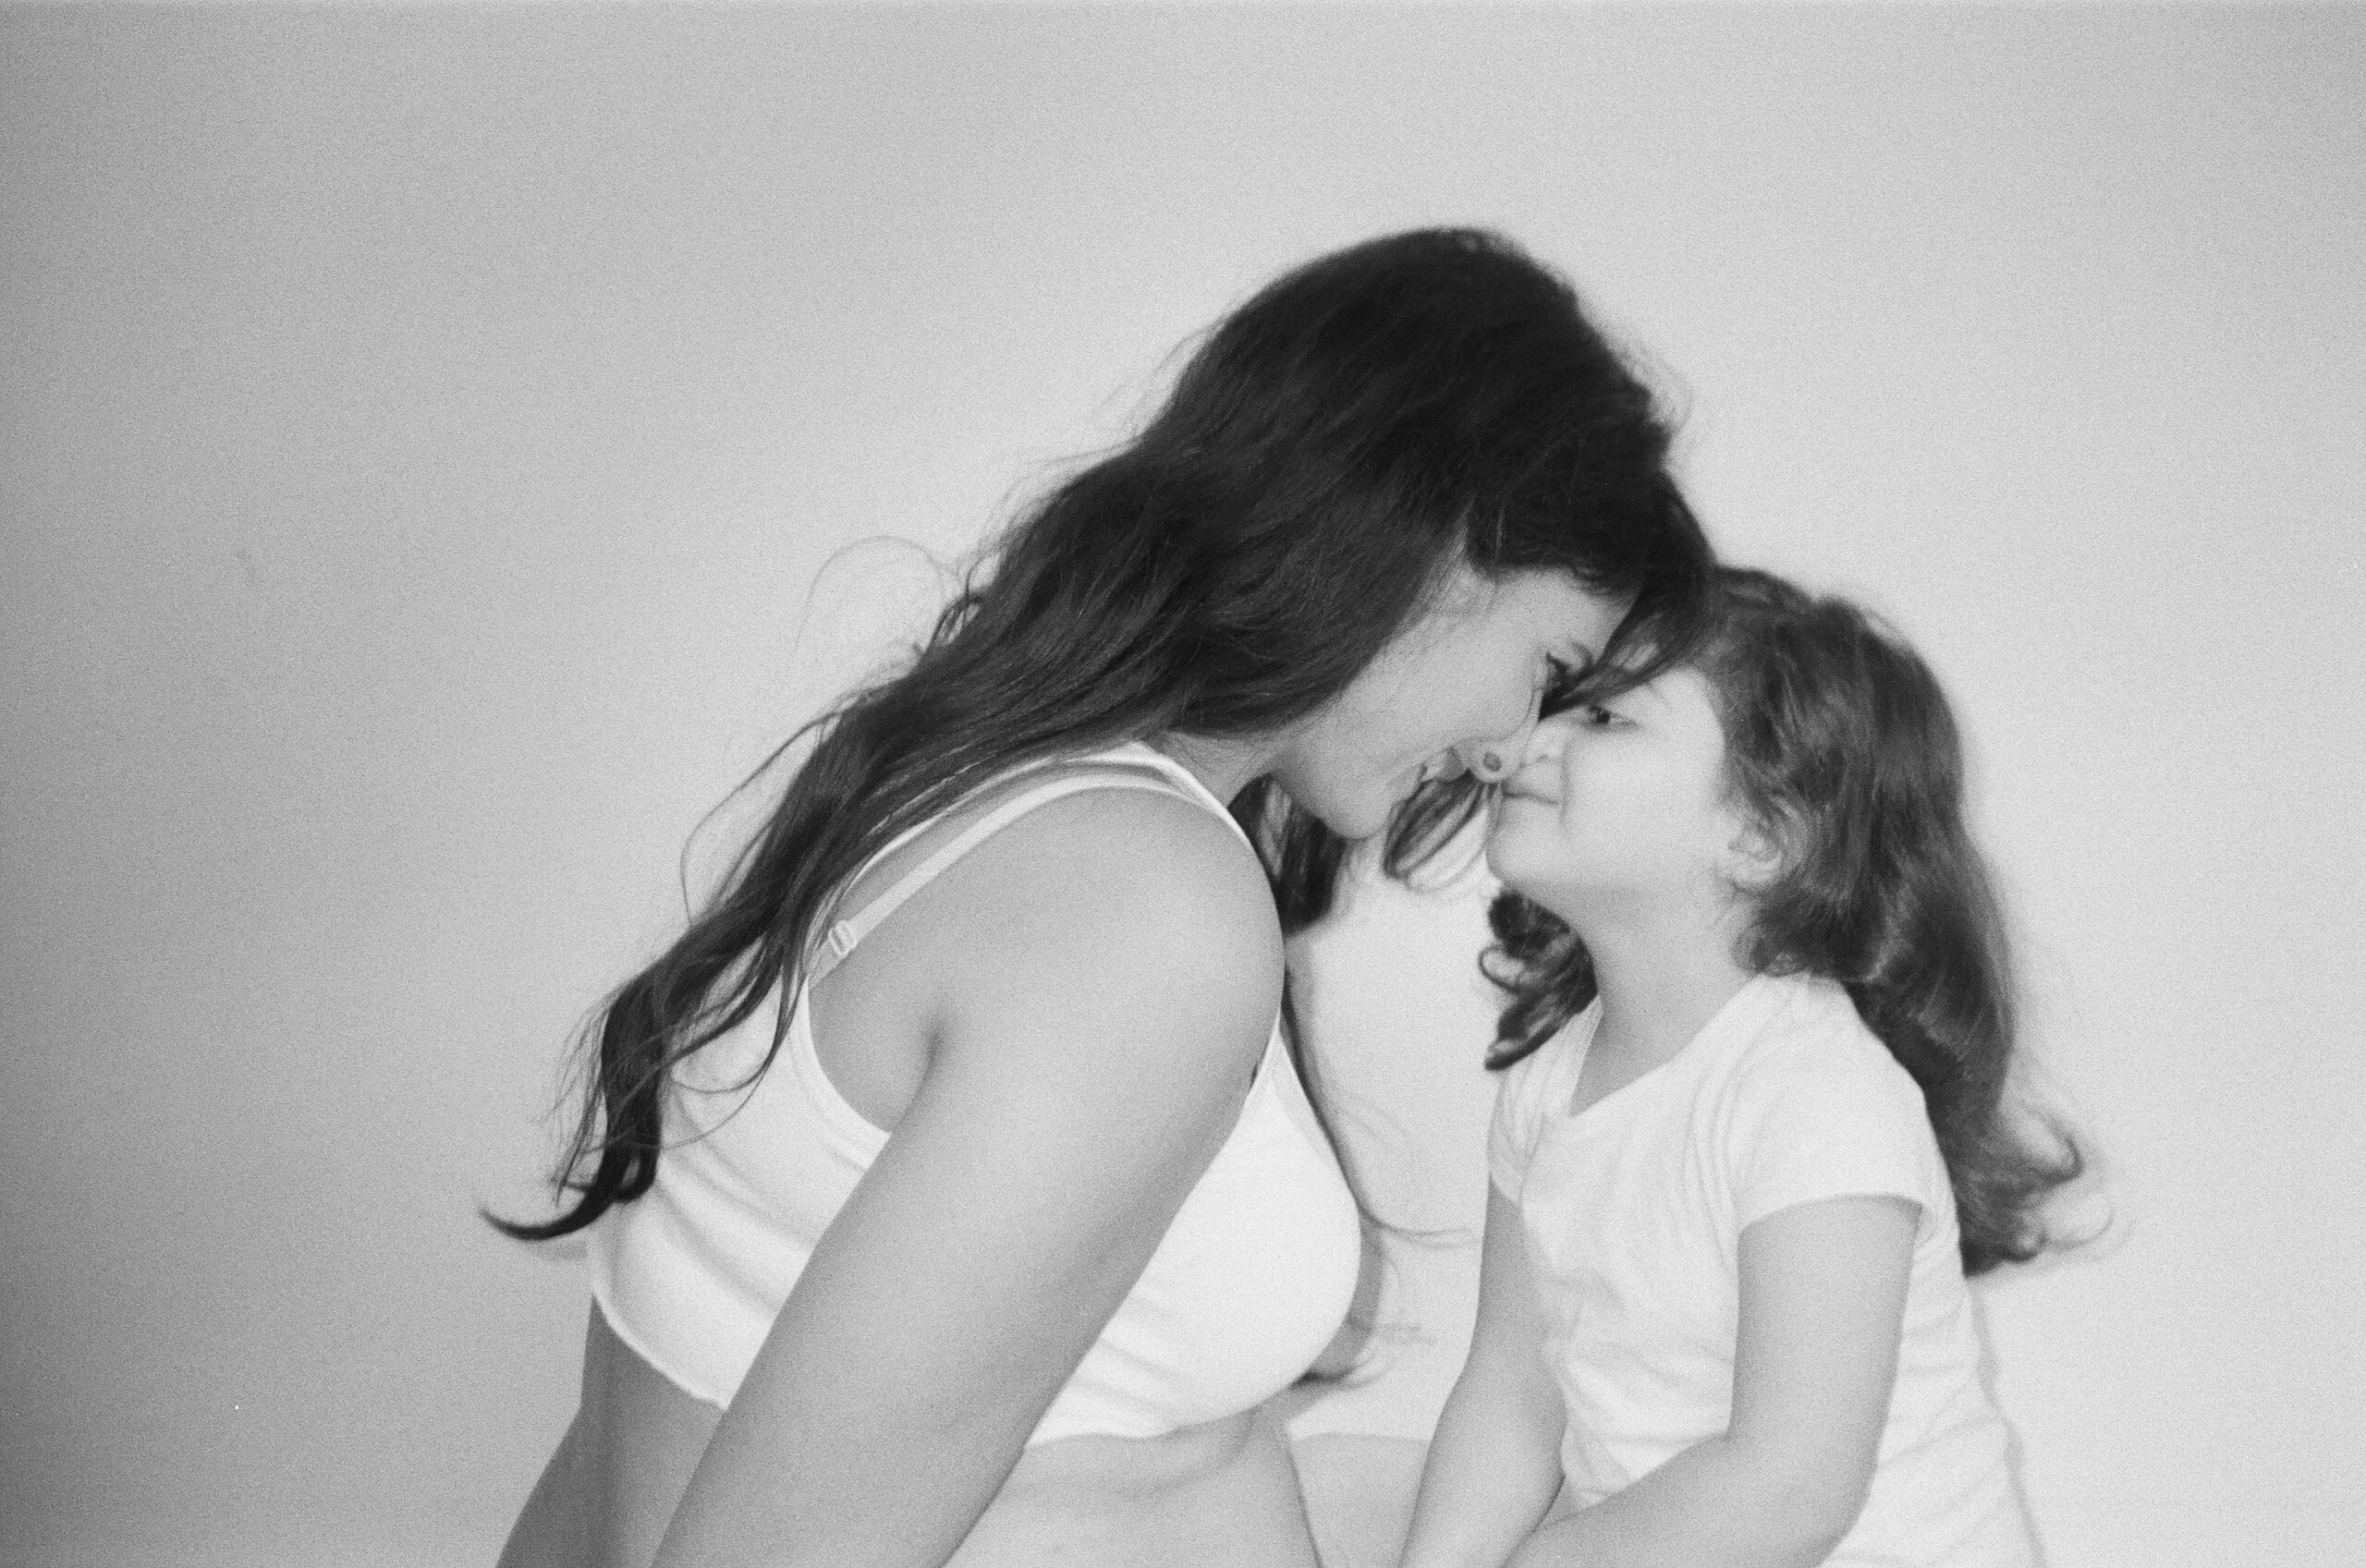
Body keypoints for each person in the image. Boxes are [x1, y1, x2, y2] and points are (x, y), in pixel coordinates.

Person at [492, 228, 1714, 1568]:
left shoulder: (977, 783)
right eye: (1544, 670)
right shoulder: (1141, 910)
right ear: (1439, 544)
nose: (1505, 750)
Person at [1403, 567, 2083, 1568]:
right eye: (1558, 703)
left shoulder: (1815, 1095)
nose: (1530, 738)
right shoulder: (1547, 1086)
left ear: (1761, 837)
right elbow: (1512, 1389)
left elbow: (1789, 1486)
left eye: (1606, 718)